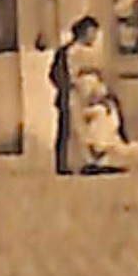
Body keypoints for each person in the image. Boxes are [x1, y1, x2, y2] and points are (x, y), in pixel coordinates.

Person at [50, 16, 99, 176]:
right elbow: (57, 74)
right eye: (92, 32)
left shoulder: (87, 51)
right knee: (68, 129)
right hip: (71, 95)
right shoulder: (69, 52)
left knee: (82, 128)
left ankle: (84, 160)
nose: (94, 37)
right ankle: (65, 163)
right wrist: (67, 87)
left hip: (83, 95)